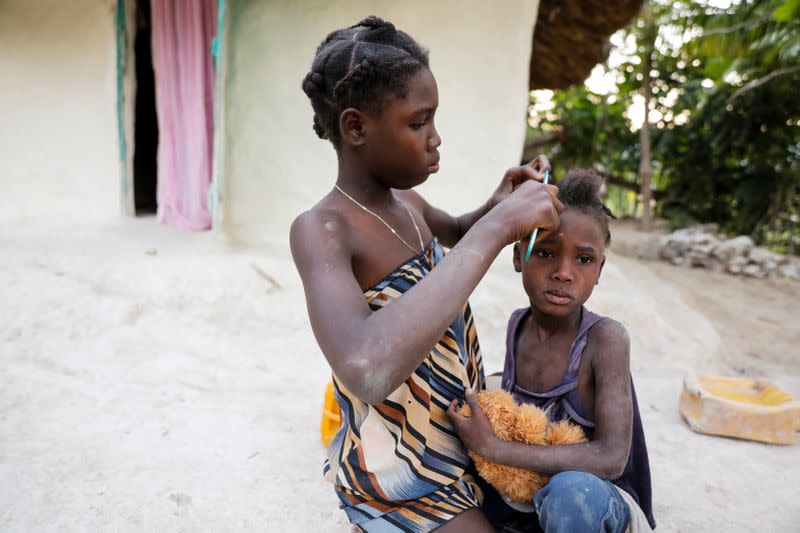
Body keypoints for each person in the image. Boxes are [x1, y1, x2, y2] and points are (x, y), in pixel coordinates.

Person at [290, 16, 562, 533]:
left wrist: (495, 205)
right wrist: (499, 227)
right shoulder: (321, 230)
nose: (436, 139)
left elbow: (457, 232)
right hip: (403, 468)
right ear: (356, 128)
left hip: (460, 433)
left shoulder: (407, 203)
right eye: (419, 123)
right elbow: (364, 369)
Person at [447, 168, 656, 532]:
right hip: (531, 493)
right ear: (518, 258)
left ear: (600, 269)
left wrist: (495, 449)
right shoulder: (518, 324)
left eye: (584, 259)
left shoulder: (605, 340)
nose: (563, 272)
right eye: (545, 252)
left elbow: (611, 458)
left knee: (569, 492)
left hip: (597, 500)